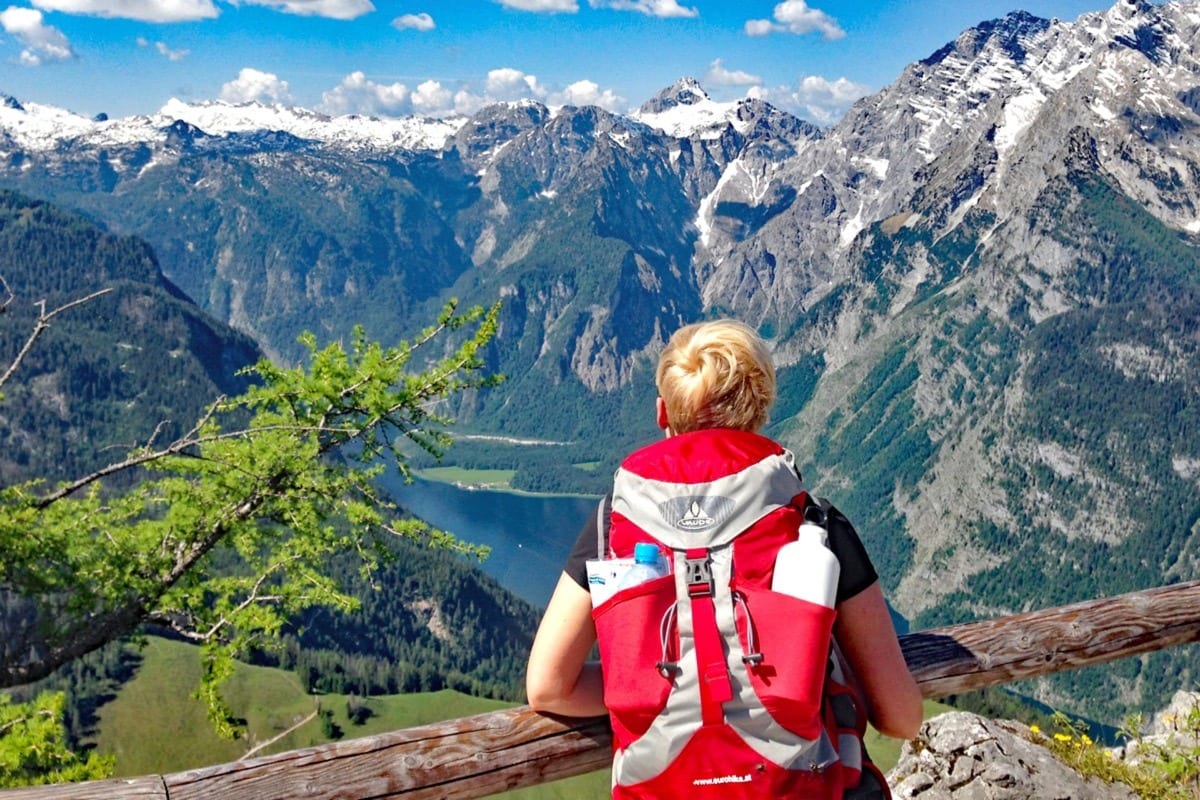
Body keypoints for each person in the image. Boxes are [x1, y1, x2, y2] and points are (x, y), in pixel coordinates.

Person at [526, 318, 922, 767]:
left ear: (662, 413)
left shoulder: (613, 520)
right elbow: (902, 718)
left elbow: (548, 686)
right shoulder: (814, 522)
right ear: (761, 410)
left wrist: (658, 689)